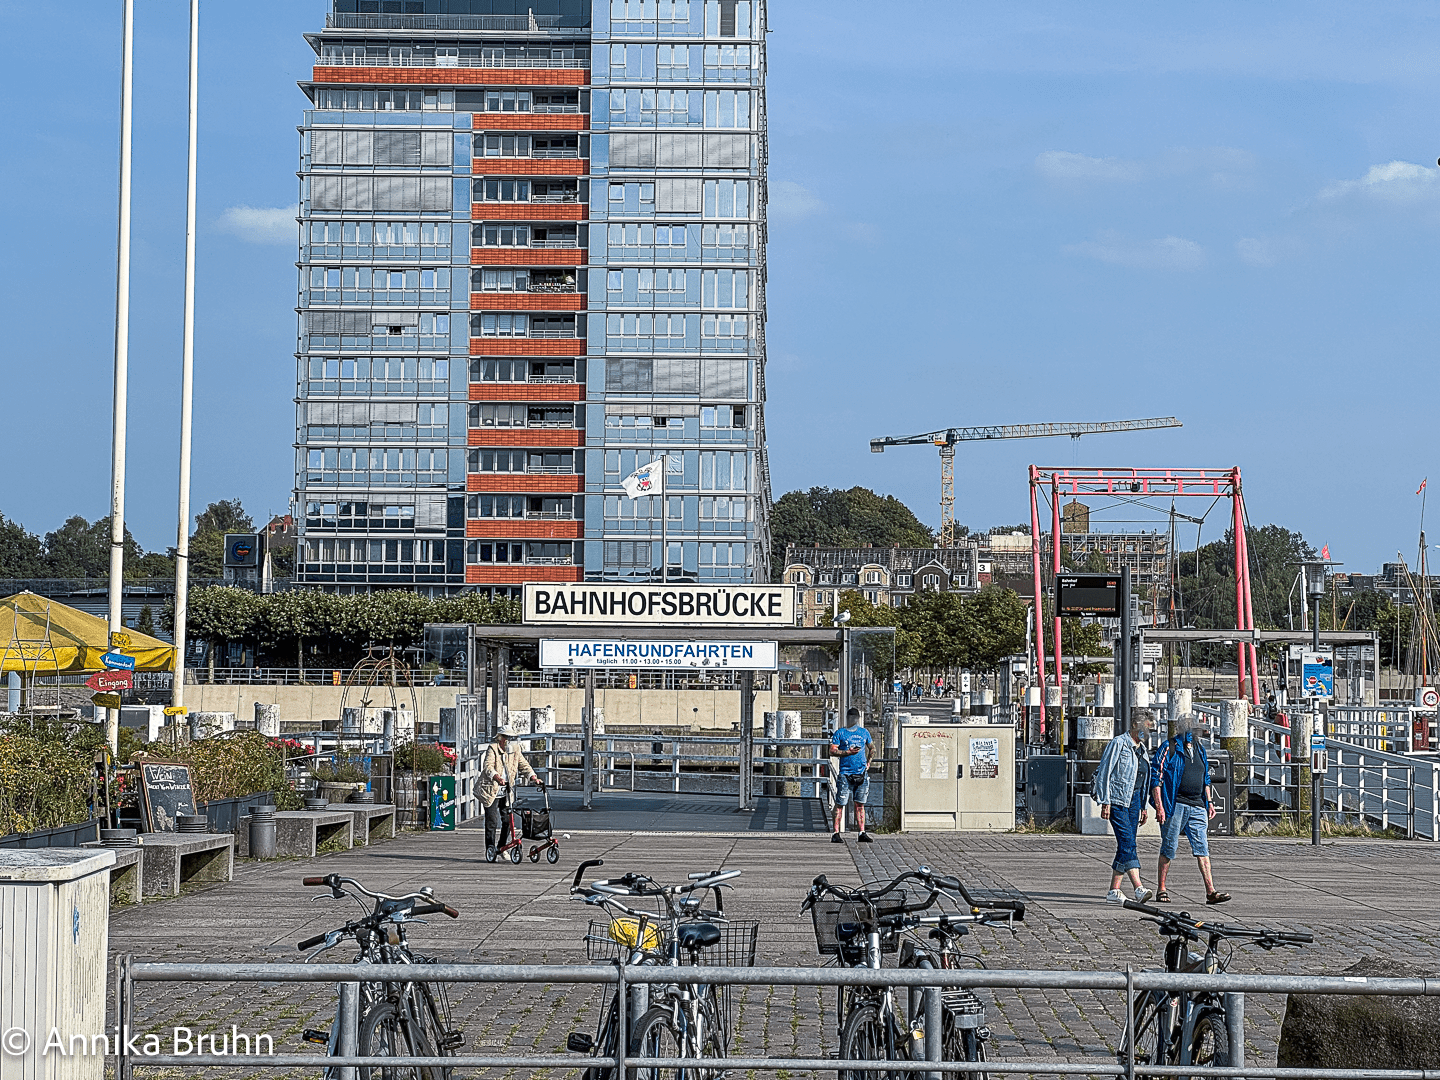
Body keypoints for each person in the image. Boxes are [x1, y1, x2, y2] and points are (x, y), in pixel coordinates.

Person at [1151, 715, 1230, 905]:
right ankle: (1161, 888)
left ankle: (1210, 891)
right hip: (1175, 804)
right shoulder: (1169, 747)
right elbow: (1156, 778)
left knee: (1202, 847)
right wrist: (1159, 806)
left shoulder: (1200, 749)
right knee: (1169, 847)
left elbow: (1206, 779)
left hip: (1197, 805)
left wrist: (1209, 802)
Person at [1092, 709, 1156, 904]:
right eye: (1147, 728)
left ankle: (1114, 890)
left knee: (1125, 844)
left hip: (1135, 800)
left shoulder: (1142, 750)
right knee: (1128, 842)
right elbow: (1105, 772)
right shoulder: (1119, 744)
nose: (1149, 733)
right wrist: (1105, 801)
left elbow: (1144, 779)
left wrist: (1144, 806)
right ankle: (1138, 887)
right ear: (1137, 725)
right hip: (1118, 800)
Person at [479, 727, 541, 861]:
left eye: (512, 738)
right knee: (492, 821)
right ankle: (490, 849)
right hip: (492, 790)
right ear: (501, 738)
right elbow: (488, 766)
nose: (510, 741)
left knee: (508, 821)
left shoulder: (516, 750)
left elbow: (524, 765)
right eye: (507, 737)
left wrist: (533, 777)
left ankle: (501, 848)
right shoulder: (493, 748)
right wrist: (497, 777)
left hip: (506, 791)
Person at [830, 706, 874, 844]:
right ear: (847, 718)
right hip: (845, 774)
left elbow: (872, 748)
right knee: (840, 803)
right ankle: (836, 833)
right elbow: (832, 751)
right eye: (851, 717)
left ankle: (862, 832)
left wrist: (869, 762)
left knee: (860, 804)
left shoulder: (864, 732)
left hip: (861, 773)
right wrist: (847, 752)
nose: (854, 720)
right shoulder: (840, 733)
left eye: (856, 718)